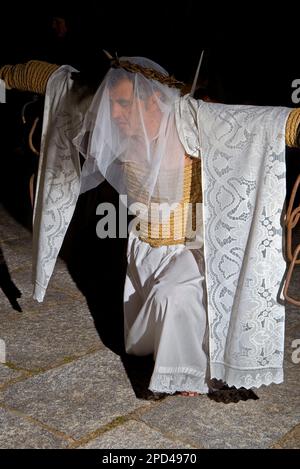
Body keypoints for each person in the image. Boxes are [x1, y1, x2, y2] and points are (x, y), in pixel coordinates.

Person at [3, 55, 299, 396]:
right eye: (113, 103)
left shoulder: (193, 122)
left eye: (125, 103)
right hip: (144, 246)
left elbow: (260, 123)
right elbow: (60, 83)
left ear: (155, 100)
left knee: (176, 293)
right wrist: (9, 74)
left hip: (192, 246)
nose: (114, 113)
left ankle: (187, 374)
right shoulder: (110, 123)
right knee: (160, 303)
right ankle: (169, 346)